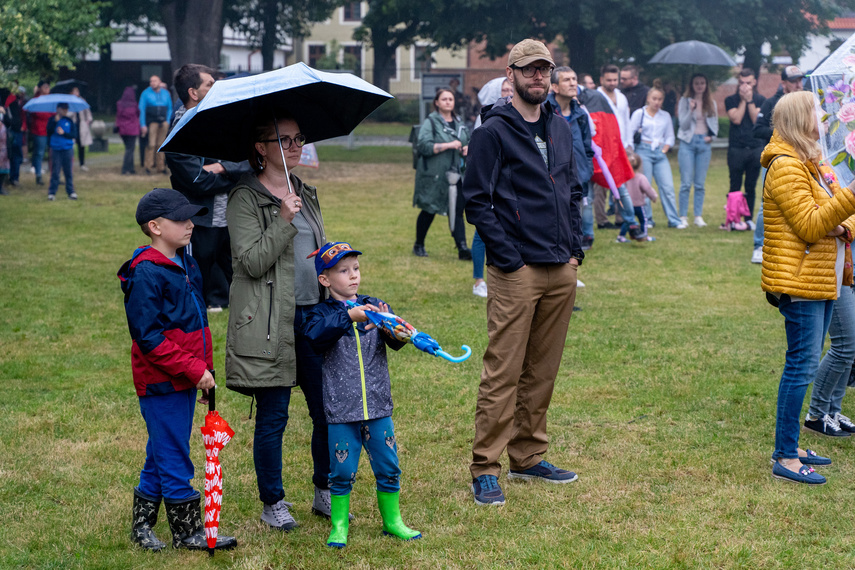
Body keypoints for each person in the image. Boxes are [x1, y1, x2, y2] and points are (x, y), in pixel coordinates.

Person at [463, 39, 582, 507]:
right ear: (510, 75)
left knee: (543, 370)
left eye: (545, 70)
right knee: (504, 371)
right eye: (529, 70)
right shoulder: (493, 131)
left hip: (560, 267)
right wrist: (509, 257)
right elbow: (477, 200)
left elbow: (572, 191)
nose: (539, 77)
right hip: (518, 269)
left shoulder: (560, 126)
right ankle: (485, 467)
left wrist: (575, 251)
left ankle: (529, 456)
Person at [225, 114, 338, 531]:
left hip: (314, 316)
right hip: (271, 321)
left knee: (327, 409)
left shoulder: (304, 192)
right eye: (283, 139)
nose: (294, 146)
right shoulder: (244, 197)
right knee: (274, 417)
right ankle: (272, 503)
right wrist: (282, 220)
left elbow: (318, 252)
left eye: (298, 139)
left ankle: (325, 489)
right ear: (261, 148)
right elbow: (251, 261)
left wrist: (338, 274)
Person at [117, 188, 237, 552]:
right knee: (173, 455)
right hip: (160, 384)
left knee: (162, 451)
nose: (190, 224)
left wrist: (204, 372)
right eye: (180, 219)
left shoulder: (186, 263)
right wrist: (193, 369)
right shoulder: (146, 274)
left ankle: (141, 527)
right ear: (154, 227)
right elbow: (149, 338)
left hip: (185, 377)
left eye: (191, 217)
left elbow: (196, 324)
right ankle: (188, 532)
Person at [761, 91, 855, 485]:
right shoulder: (785, 166)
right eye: (816, 111)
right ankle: (785, 455)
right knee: (799, 368)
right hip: (800, 284)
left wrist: (839, 221)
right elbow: (813, 225)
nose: (823, 116)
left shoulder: (809, 163)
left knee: (802, 366)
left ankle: (792, 443)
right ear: (800, 118)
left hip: (819, 279)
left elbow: (838, 224)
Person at [301, 242, 421, 549]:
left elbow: (396, 341)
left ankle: (392, 522)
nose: (353, 275)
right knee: (341, 471)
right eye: (343, 271)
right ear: (325, 280)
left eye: (355, 268)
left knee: (388, 466)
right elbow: (315, 337)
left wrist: (396, 328)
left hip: (379, 407)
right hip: (342, 411)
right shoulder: (320, 314)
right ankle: (339, 525)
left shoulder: (375, 305)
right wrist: (349, 317)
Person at [167, 64, 252, 312]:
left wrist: (222, 168)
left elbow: (248, 163)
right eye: (210, 84)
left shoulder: (216, 121)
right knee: (195, 283)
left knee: (240, 277)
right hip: (199, 221)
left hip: (230, 217)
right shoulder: (180, 131)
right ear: (193, 92)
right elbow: (198, 181)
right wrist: (233, 172)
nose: (216, 87)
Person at [751, 65, 804, 264]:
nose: (798, 84)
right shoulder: (771, 103)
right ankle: (758, 245)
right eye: (794, 81)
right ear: (783, 83)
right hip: (775, 159)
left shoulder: (805, 103)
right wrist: (783, 133)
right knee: (766, 204)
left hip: (799, 160)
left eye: (800, 79)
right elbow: (758, 130)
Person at [412, 88, 471, 259]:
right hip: (435, 175)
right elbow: (423, 145)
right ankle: (419, 244)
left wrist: (466, 149)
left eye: (450, 99)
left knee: (458, 210)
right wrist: (449, 145)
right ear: (436, 102)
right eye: (444, 99)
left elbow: (466, 141)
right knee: (429, 209)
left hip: (457, 175)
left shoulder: (459, 123)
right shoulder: (431, 122)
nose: (447, 102)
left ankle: (462, 248)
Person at [471, 78, 513, 298]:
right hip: (490, 184)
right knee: (481, 232)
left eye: (510, 89)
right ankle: (479, 280)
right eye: (503, 90)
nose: (507, 93)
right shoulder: (487, 120)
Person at [628, 87, 681, 228]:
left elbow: (670, 135)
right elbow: (630, 133)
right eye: (654, 99)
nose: (657, 102)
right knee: (645, 186)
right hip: (643, 151)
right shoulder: (640, 114)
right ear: (648, 99)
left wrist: (665, 149)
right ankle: (648, 219)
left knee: (667, 187)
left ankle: (674, 220)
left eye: (660, 99)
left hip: (659, 152)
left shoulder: (665, 116)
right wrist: (632, 152)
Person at [677, 73, 718, 228]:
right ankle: (682, 216)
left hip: (704, 144)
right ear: (692, 85)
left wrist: (711, 137)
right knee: (686, 183)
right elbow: (683, 125)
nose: (700, 86)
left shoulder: (711, 103)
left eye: (702, 83)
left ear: (706, 85)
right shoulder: (684, 101)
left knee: (700, 183)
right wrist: (691, 109)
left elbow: (715, 125)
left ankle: (698, 216)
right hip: (688, 142)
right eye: (696, 83)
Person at [725, 68, 766, 226]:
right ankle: (733, 219)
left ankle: (748, 220)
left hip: (755, 148)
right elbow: (736, 118)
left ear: (754, 82)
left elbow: (756, 119)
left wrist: (750, 100)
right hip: (736, 148)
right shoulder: (731, 99)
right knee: (734, 184)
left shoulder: (761, 100)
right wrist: (743, 100)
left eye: (748, 83)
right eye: (742, 83)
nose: (745, 86)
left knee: (751, 185)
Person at [596, 64, 631, 228]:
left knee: (620, 181)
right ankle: (602, 220)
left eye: (615, 80)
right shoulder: (596, 96)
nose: (612, 83)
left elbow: (626, 122)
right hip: (602, 147)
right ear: (602, 79)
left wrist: (628, 144)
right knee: (601, 185)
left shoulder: (622, 97)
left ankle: (620, 217)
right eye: (608, 80)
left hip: (621, 144)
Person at [617, 152, 657, 243]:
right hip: (639, 205)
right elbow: (647, 189)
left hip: (627, 205)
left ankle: (621, 237)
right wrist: (654, 196)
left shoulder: (623, 177)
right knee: (643, 220)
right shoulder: (641, 178)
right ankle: (644, 236)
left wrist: (616, 199)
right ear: (639, 165)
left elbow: (619, 189)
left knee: (627, 221)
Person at [139, 75, 173, 175]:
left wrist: (167, 120)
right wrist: (143, 124)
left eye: (155, 81)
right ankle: (148, 166)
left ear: (160, 82)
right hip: (152, 122)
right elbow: (142, 109)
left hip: (163, 122)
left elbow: (169, 108)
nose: (152, 83)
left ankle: (161, 167)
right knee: (151, 144)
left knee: (161, 145)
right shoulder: (146, 93)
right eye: (151, 81)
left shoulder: (166, 93)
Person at [46, 103, 77, 201]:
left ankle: (71, 191)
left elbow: (74, 134)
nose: (65, 110)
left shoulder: (69, 120)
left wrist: (64, 133)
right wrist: (55, 122)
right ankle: (52, 192)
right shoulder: (52, 120)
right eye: (63, 108)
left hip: (67, 148)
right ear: (58, 109)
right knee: (55, 171)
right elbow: (48, 131)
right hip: (56, 148)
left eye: (66, 109)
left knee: (68, 171)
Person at [29, 81, 52, 186]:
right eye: (45, 87)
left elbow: (54, 112)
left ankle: (53, 174)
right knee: (39, 152)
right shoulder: (36, 100)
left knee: (52, 152)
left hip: (50, 129)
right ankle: (38, 174)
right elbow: (38, 113)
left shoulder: (51, 99)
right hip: (39, 130)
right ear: (40, 88)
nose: (47, 89)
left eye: (48, 87)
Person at [116, 86, 140, 175]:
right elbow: (138, 114)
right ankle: (126, 168)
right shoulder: (134, 105)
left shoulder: (119, 104)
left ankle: (131, 168)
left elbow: (118, 116)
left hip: (123, 129)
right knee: (130, 150)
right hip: (132, 129)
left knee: (128, 149)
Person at [5, 86, 25, 187]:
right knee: (14, 155)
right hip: (12, 130)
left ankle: (13, 177)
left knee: (15, 155)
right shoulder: (10, 99)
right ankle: (12, 178)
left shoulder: (16, 100)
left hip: (16, 130)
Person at [68, 87, 92, 172]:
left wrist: (88, 120)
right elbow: (67, 114)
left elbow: (87, 111)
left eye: (77, 91)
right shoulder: (68, 102)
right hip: (72, 125)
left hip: (81, 125)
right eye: (74, 91)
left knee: (81, 146)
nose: (76, 93)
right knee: (71, 146)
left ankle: (82, 164)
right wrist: (73, 110)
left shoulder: (82, 100)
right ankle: (70, 164)